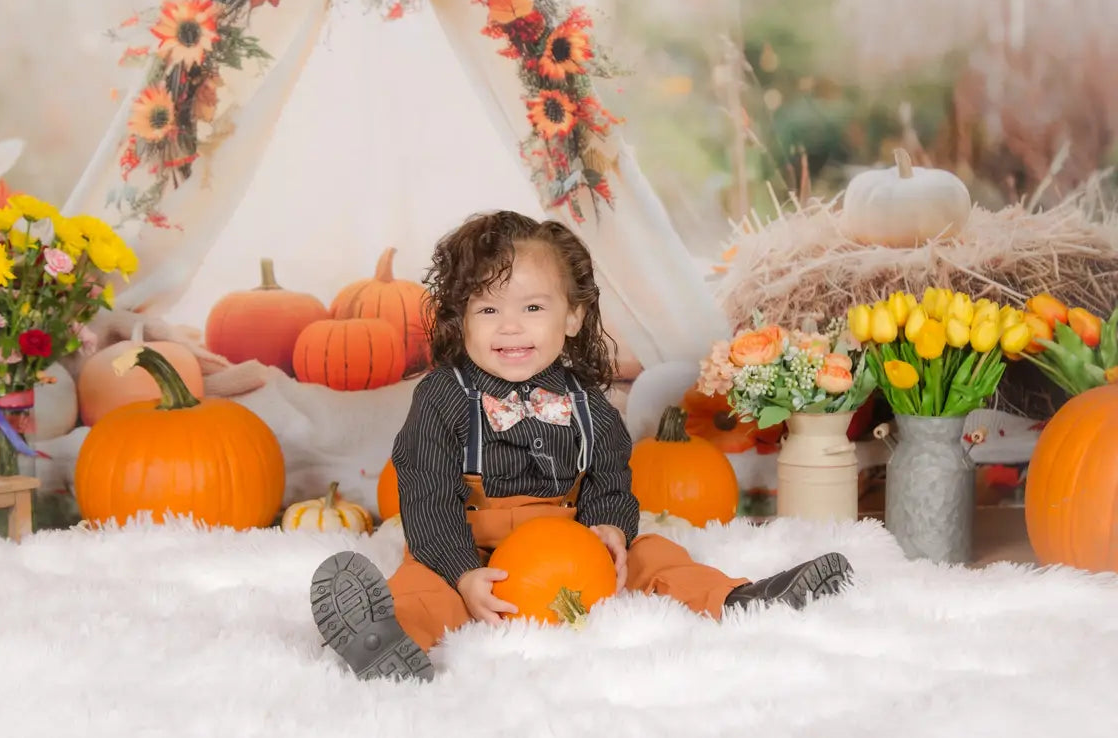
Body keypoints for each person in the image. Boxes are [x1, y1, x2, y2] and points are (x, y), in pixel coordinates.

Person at [310, 211, 853, 682]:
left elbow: (610, 479)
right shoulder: (442, 396)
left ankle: (741, 600)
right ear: (461, 321)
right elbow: (426, 496)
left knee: (657, 556)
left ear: (572, 316)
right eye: (488, 310)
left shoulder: (587, 402)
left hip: (566, 548)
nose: (511, 328)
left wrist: (610, 530)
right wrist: (461, 573)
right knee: (423, 587)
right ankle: (387, 639)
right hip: (469, 543)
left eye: (533, 309)